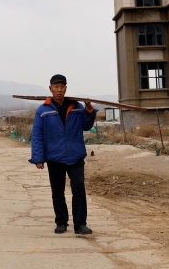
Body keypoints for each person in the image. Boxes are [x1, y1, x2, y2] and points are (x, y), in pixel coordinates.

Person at [28, 74, 97, 235]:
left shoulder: (77, 106)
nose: (59, 90)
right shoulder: (43, 110)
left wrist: (89, 112)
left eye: (62, 87)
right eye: (56, 87)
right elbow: (37, 135)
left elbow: (86, 126)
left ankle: (80, 224)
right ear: (50, 88)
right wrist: (38, 158)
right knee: (57, 191)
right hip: (55, 157)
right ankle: (61, 221)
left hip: (75, 155)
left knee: (78, 189)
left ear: (66, 88)